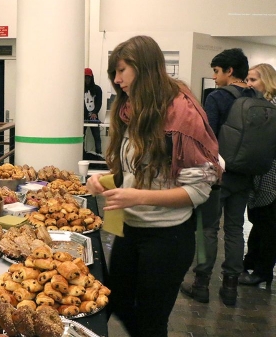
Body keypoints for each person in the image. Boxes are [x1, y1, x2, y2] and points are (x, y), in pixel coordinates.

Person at [86, 36, 221, 337]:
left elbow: (198, 192)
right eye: (114, 73)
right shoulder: (131, 108)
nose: (117, 80)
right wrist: (107, 179)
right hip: (131, 229)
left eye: (122, 71)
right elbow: (136, 168)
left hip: (167, 238)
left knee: (151, 321)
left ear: (144, 68)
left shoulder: (182, 115)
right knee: (115, 301)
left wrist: (137, 196)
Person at [180, 48, 255, 306]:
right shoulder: (256, 97)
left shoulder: (217, 97)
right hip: (245, 175)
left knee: (207, 228)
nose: (213, 77)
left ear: (229, 71)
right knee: (235, 229)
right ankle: (230, 288)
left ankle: (201, 285)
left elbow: (206, 137)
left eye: (216, 71)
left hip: (218, 174)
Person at [239, 63, 276, 286]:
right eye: (248, 80)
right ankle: (252, 263)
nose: (249, 84)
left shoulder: (271, 108)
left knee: (268, 224)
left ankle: (262, 271)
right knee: (260, 221)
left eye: (253, 80)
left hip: (271, 174)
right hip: (261, 173)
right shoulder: (260, 106)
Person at [83, 67, 103, 155]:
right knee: (81, 137)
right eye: (85, 77)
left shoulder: (97, 89)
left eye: (88, 77)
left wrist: (95, 112)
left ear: (91, 78)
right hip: (82, 117)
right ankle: (81, 153)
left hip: (93, 116)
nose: (87, 79)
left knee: (97, 136)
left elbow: (99, 103)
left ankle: (99, 154)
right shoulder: (80, 89)